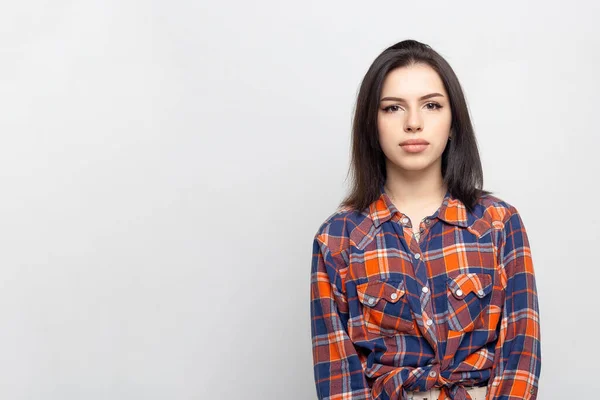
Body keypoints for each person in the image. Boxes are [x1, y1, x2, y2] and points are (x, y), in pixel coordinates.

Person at [309, 39, 541, 400]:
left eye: (431, 105)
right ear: (372, 125)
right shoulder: (338, 239)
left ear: (453, 123)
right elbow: (337, 378)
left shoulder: (498, 223)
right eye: (392, 108)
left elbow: (520, 355)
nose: (413, 123)